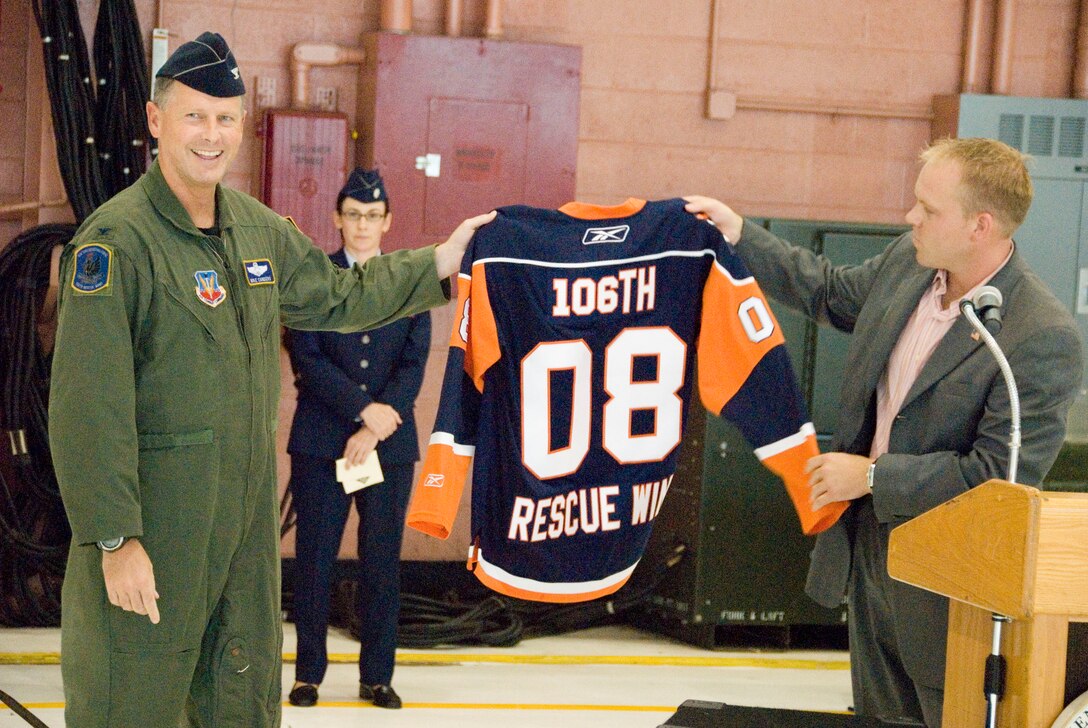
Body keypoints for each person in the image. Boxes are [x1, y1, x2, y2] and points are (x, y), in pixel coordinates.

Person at [48, 32, 494, 728]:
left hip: (244, 530)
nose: (211, 134)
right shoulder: (117, 244)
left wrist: (440, 261)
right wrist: (114, 538)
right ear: (155, 120)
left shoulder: (258, 231)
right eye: (194, 116)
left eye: (226, 118)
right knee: (131, 697)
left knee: (238, 697)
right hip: (158, 529)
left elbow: (339, 296)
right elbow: (87, 409)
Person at [685, 136, 1082, 727]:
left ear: (981, 225)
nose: (910, 217)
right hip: (872, 549)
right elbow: (828, 289)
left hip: (952, 581)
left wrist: (872, 476)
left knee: (938, 714)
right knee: (876, 715)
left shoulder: (1037, 336)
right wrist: (741, 232)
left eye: (928, 209)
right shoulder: (909, 263)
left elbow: (999, 476)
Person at [285, 168, 426, 709]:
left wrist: (376, 424)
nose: (362, 224)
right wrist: (363, 409)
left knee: (381, 562)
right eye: (352, 214)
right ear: (338, 219)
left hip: (388, 445)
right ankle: (309, 676)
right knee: (315, 561)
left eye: (372, 216)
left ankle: (377, 676)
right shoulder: (314, 279)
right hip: (323, 442)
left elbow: (414, 364)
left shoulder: (408, 280)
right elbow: (309, 359)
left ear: (387, 222)